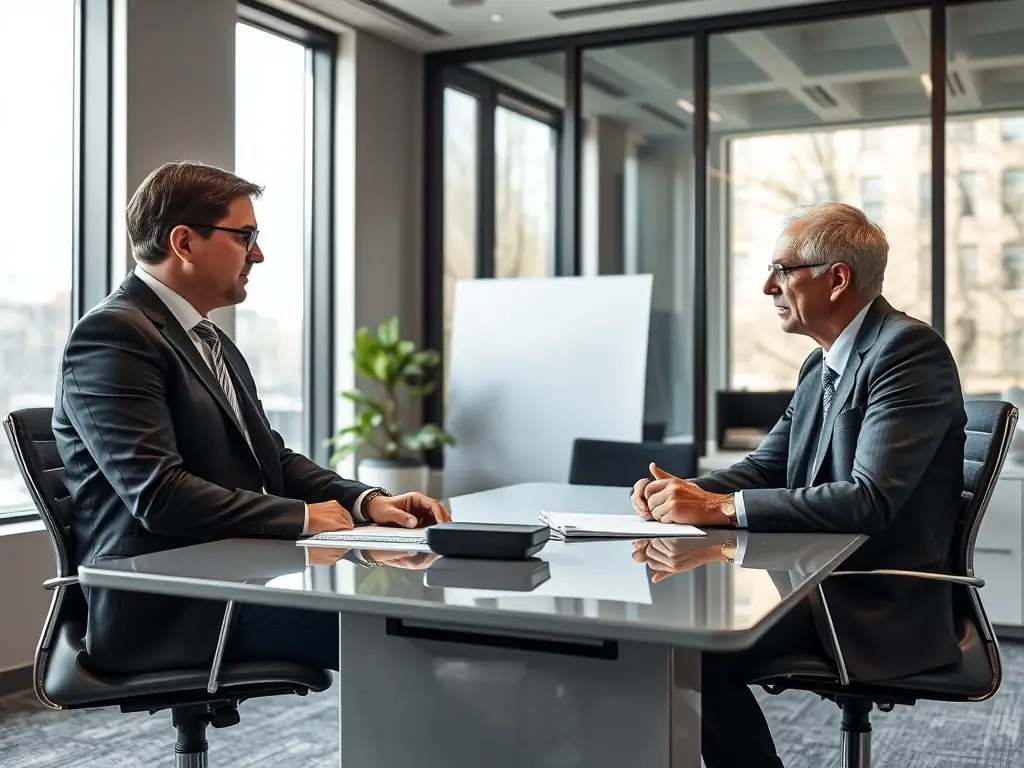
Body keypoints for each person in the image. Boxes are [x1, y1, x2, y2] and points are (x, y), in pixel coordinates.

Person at [53, 161, 450, 675]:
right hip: (167, 607)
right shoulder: (113, 336)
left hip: (232, 579)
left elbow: (273, 460)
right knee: (392, 631)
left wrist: (365, 501)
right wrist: (304, 519)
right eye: (245, 236)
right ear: (184, 242)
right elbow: (159, 495)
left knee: (411, 615)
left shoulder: (211, 342)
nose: (258, 254)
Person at [630, 202, 966, 768]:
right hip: (814, 576)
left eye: (782, 270)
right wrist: (677, 489)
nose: (768, 286)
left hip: (871, 597)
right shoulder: (822, 365)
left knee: (687, 652)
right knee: (672, 635)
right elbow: (766, 468)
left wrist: (716, 506)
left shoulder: (907, 352)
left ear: (837, 279)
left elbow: (870, 499)